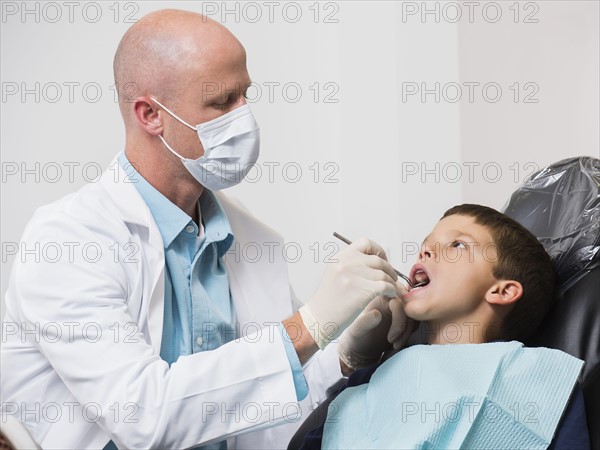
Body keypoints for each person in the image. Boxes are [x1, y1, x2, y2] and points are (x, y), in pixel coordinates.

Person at [0, 9, 405, 449]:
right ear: (150, 114)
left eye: (245, 95)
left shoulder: (248, 237)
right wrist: (310, 326)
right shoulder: (68, 242)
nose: (245, 117)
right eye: (221, 102)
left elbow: (278, 396)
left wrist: (346, 354)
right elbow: (144, 416)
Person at [295, 204, 591, 449]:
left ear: (502, 291)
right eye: (425, 245)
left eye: (457, 245)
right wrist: (356, 362)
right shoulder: (375, 375)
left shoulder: (542, 379)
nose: (425, 251)